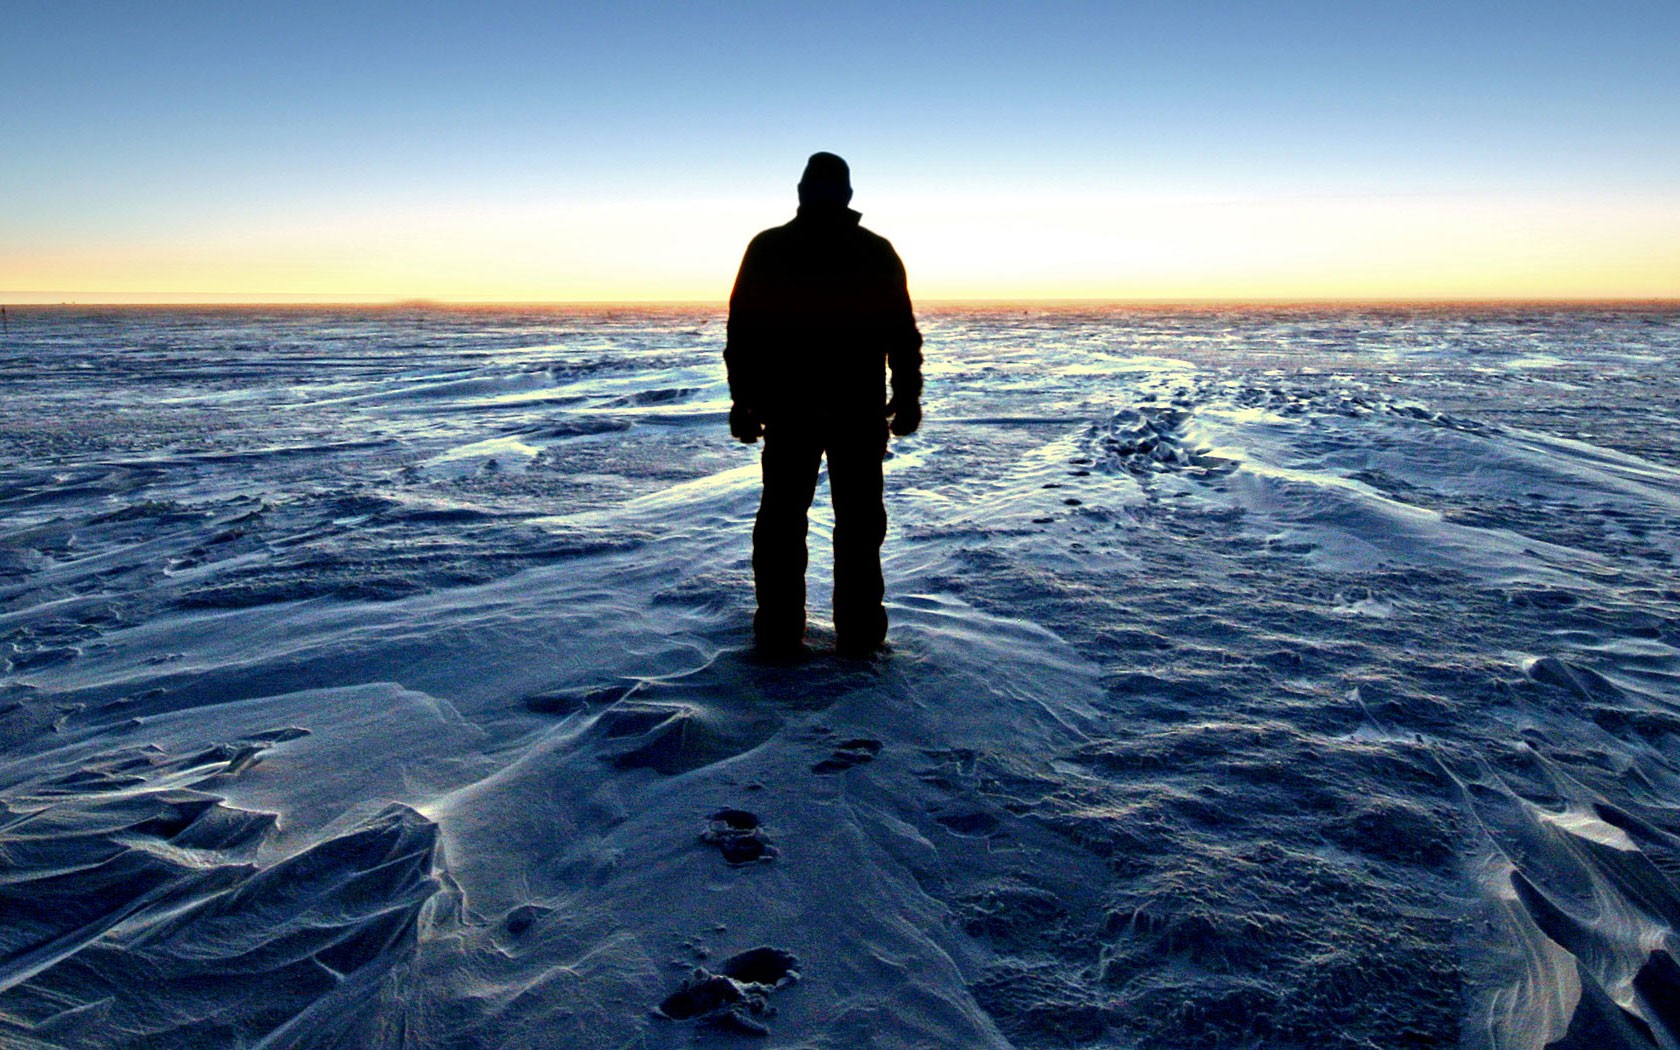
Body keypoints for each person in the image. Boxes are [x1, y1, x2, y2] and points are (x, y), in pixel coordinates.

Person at [724, 152, 923, 657]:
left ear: (800, 192)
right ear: (848, 196)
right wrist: (906, 396)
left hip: (796, 411)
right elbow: (901, 334)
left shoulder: (771, 247)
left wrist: (744, 401)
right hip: (847, 411)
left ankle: (781, 635)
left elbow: (743, 335)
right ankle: (857, 637)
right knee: (852, 526)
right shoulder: (873, 250)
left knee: (787, 524)